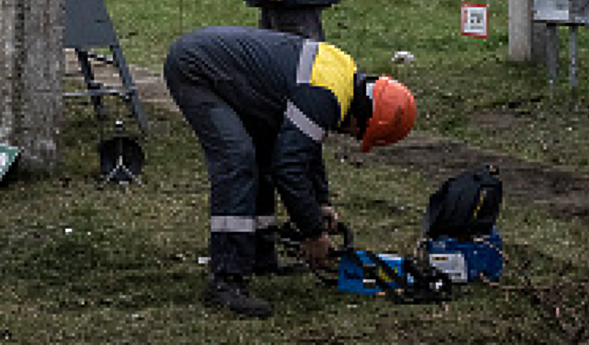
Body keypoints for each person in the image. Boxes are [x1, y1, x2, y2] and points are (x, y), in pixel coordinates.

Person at [163, 25, 415, 319]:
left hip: (225, 70)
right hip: (196, 70)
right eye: (361, 135)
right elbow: (290, 167)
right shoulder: (323, 94)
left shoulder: (341, 77)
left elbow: (308, 143)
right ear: (364, 118)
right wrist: (314, 232)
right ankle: (226, 279)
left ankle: (260, 255)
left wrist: (321, 202)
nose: (352, 137)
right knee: (237, 160)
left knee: (265, 153)